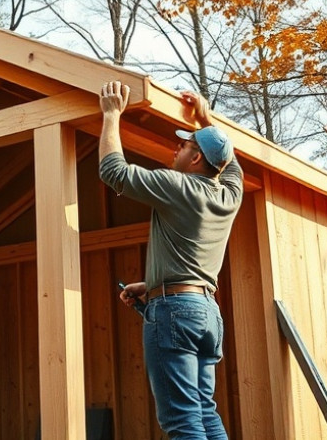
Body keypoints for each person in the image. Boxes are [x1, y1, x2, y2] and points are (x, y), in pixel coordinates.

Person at [97, 80, 243, 439]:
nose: (176, 148)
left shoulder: (178, 186)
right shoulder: (230, 195)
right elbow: (230, 161)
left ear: (195, 159)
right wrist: (204, 117)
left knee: (182, 420)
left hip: (176, 312)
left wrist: (111, 114)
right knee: (205, 413)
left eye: (185, 144)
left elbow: (112, 172)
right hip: (207, 313)